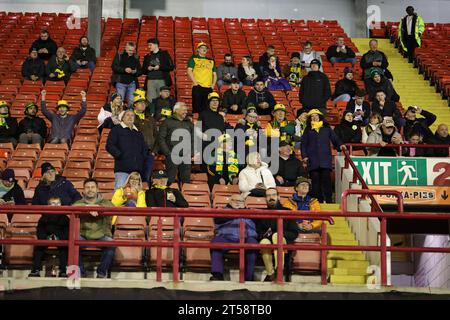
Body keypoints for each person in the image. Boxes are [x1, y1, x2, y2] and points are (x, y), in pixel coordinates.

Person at [210, 194, 257, 281]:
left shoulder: (251, 211)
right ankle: (217, 274)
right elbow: (218, 219)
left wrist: (242, 211)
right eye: (235, 201)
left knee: (253, 244)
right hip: (227, 237)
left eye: (240, 201)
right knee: (216, 242)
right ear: (229, 202)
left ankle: (248, 277)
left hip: (247, 237)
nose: (238, 203)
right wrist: (239, 212)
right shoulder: (222, 210)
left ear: (244, 203)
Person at [73, 178, 115, 278]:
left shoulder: (105, 202)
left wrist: (98, 207)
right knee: (72, 243)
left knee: (111, 245)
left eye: (92, 187)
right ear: (83, 190)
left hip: (102, 235)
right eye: (87, 187)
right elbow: (74, 207)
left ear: (97, 189)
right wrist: (88, 208)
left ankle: (101, 273)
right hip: (84, 234)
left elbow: (112, 208)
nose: (90, 189)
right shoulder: (79, 203)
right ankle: (81, 273)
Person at [257, 188, 299, 282]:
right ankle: (270, 273)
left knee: (277, 236)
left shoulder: (288, 211)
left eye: (273, 195)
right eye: (268, 196)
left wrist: (277, 233)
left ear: (278, 197)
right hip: (268, 240)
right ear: (265, 199)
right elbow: (259, 233)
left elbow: (294, 232)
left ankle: (278, 270)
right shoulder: (262, 213)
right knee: (263, 241)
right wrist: (267, 234)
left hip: (283, 240)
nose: (271, 197)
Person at [301, 109, 342, 203]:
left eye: (316, 116)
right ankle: (317, 201)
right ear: (310, 119)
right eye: (312, 116)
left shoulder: (327, 128)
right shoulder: (307, 130)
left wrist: (341, 145)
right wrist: (304, 156)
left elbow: (335, 139)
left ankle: (328, 201)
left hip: (325, 160)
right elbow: (304, 144)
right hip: (313, 160)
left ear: (320, 117)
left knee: (326, 181)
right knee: (315, 182)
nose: (314, 118)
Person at [106, 110, 149, 190]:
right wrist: (120, 155)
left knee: (135, 196)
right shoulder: (116, 129)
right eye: (127, 115)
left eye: (132, 115)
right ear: (122, 118)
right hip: (122, 169)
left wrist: (142, 158)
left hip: (137, 171)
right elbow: (109, 145)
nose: (130, 117)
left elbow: (144, 148)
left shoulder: (138, 133)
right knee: (120, 194)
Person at [28, 197, 68, 278]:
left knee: (64, 248)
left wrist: (59, 237)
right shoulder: (44, 217)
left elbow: (67, 231)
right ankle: (36, 270)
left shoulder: (65, 217)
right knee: (39, 248)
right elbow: (40, 230)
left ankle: (63, 271)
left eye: (58, 203)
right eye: (53, 203)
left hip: (60, 238)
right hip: (46, 237)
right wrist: (46, 238)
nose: (56, 205)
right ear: (48, 205)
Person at [158, 102, 196, 185]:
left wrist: (191, 153)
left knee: (186, 180)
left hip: (186, 156)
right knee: (170, 180)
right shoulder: (167, 122)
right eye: (183, 110)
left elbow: (194, 139)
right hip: (172, 155)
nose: (186, 112)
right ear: (176, 110)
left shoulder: (189, 123)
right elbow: (161, 138)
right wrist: (168, 153)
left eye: (186, 110)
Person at [132, 91, 158, 183]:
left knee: (146, 178)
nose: (143, 104)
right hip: (135, 152)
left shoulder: (151, 119)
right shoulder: (130, 117)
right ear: (134, 104)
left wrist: (154, 152)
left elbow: (156, 136)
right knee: (135, 178)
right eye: (140, 102)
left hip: (149, 152)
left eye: (144, 103)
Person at [187, 42, 217, 114]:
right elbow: (189, 71)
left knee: (207, 109)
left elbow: (215, 74)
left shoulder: (211, 61)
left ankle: (205, 125)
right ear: (198, 49)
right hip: (198, 86)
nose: (204, 49)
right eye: (202, 48)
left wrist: (213, 85)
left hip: (208, 87)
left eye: (205, 48)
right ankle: (198, 125)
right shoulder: (193, 58)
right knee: (197, 109)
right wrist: (195, 83)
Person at [112, 42, 142, 107]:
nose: (131, 52)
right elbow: (114, 67)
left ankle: (129, 116)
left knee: (131, 101)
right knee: (119, 101)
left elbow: (140, 71)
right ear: (125, 48)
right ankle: (119, 115)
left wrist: (134, 72)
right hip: (120, 82)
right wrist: (124, 70)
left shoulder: (136, 57)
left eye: (132, 50)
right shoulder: (119, 55)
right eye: (129, 50)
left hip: (132, 83)